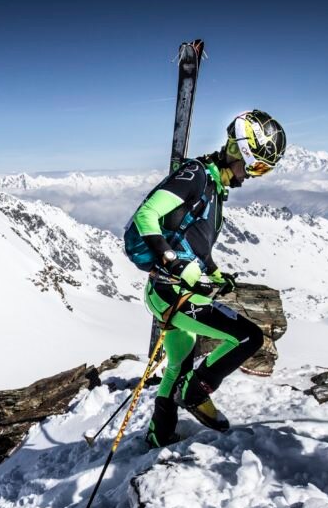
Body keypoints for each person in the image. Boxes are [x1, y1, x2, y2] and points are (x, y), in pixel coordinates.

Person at [123, 110, 286, 448]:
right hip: (173, 291)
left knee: (178, 364)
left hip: (171, 290)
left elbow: (193, 243)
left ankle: (159, 433)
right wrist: (173, 262)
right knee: (248, 338)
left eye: (263, 170)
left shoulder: (212, 188)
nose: (254, 176)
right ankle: (196, 394)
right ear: (237, 151)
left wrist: (213, 273)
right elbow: (146, 215)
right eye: (255, 166)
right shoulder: (196, 175)